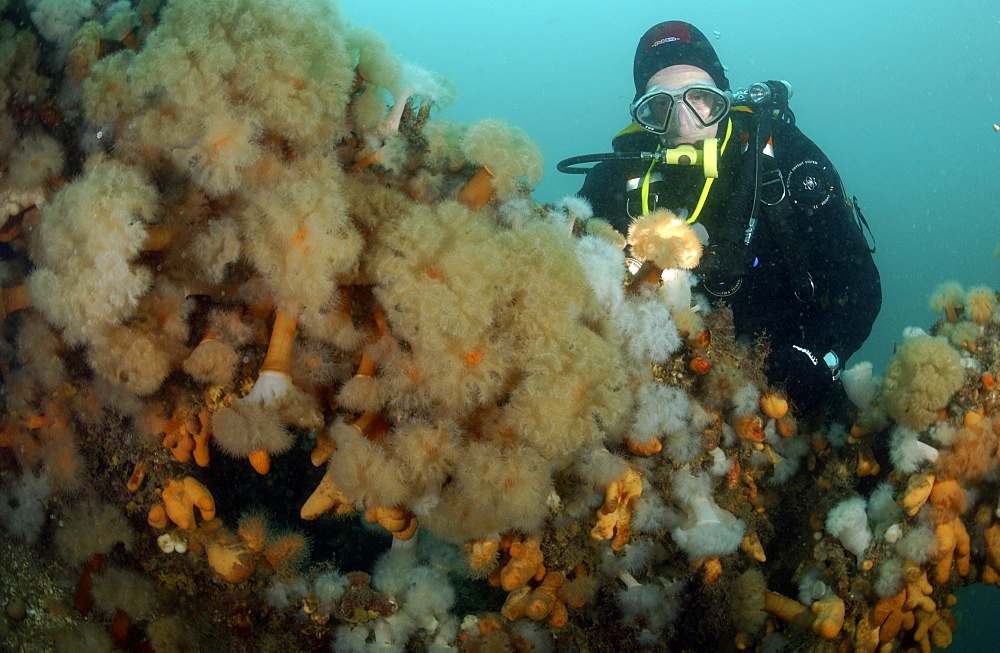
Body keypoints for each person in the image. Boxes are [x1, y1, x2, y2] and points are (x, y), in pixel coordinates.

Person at [573, 21, 881, 411]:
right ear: (643, 115)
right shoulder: (615, 179)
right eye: (660, 106)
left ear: (724, 97)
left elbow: (859, 286)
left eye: (700, 99)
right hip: (650, 397)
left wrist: (821, 357)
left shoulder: (782, 158)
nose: (684, 124)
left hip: (790, 394)